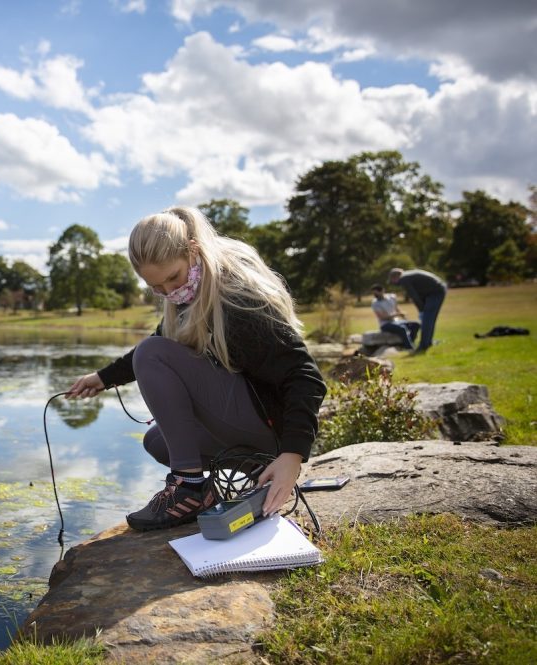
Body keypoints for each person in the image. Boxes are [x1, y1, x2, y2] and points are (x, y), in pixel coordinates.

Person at [67, 206, 327, 531]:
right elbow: (157, 343)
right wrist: (102, 379)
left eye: (172, 278)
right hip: (251, 435)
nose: (168, 292)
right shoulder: (188, 296)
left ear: (192, 250)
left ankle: (187, 487)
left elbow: (306, 377)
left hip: (272, 431)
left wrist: (292, 456)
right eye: (156, 287)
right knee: (157, 441)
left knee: (151, 355)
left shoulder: (237, 299)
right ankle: (203, 493)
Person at [388, 268, 446, 353]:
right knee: (429, 319)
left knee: (427, 319)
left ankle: (423, 346)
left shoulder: (404, 278)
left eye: (392, 280)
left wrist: (421, 310)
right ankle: (427, 342)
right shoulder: (408, 275)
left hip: (435, 292)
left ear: (396, 276)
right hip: (436, 290)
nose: (394, 283)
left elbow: (414, 296)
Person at [370, 283, 420, 349]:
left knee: (416, 324)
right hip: (385, 324)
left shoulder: (392, 297)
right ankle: (409, 347)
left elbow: (396, 309)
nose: (375, 296)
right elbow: (382, 317)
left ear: (382, 290)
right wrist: (397, 314)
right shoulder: (375, 303)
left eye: (376, 294)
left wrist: (402, 315)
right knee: (402, 328)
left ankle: (410, 343)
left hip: (396, 321)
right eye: (374, 294)